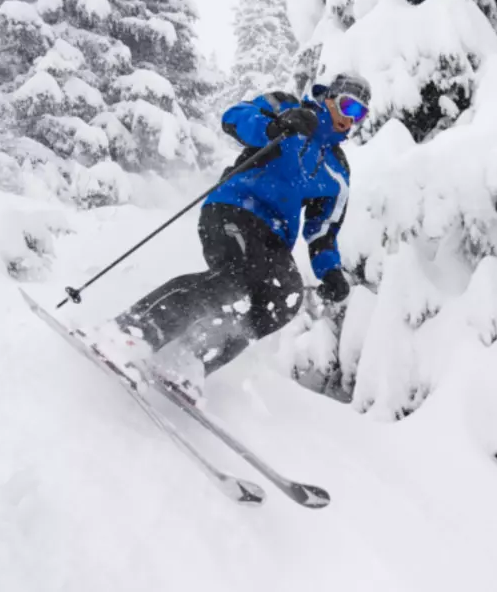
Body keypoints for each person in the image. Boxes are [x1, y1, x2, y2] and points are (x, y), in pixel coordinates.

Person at [89, 73, 371, 395]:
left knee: (283, 299)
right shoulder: (287, 106)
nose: (350, 119)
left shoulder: (337, 170)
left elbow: (322, 231)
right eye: (348, 106)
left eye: (360, 114)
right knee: (237, 277)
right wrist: (275, 126)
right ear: (329, 97)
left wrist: (331, 271)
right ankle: (130, 332)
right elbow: (233, 118)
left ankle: (191, 359)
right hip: (233, 207)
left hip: (274, 238)